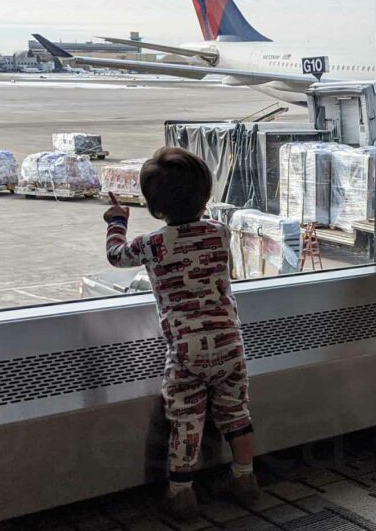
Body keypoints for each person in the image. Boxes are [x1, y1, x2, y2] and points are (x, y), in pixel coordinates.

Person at [103, 147, 258, 520]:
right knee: (236, 414)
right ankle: (245, 480)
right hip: (229, 342)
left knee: (186, 422)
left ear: (156, 208)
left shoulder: (153, 244)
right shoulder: (220, 233)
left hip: (187, 350)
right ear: (205, 196)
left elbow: (116, 255)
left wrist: (116, 220)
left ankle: (181, 495)